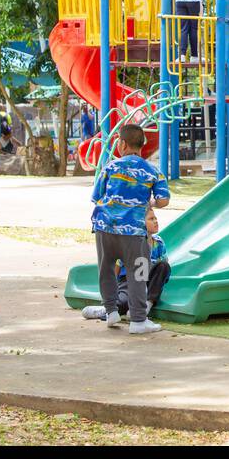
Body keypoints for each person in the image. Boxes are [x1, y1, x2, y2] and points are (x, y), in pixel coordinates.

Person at [89, 124, 170, 334]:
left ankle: (111, 310)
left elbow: (96, 197)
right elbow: (163, 200)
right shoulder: (153, 171)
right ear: (142, 145)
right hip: (134, 233)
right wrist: (147, 203)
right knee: (140, 273)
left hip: (104, 228)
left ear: (122, 144)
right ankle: (138, 320)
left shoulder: (110, 167)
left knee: (106, 268)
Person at [83, 211, 171, 320]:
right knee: (124, 303)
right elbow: (117, 266)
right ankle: (105, 310)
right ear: (140, 224)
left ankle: (146, 305)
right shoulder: (131, 242)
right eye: (151, 219)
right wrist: (113, 288)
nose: (155, 221)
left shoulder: (159, 242)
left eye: (155, 218)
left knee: (163, 266)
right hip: (129, 279)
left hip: (148, 279)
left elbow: (162, 268)